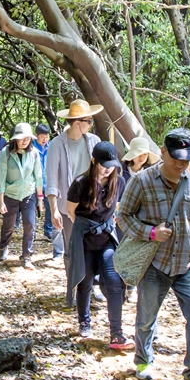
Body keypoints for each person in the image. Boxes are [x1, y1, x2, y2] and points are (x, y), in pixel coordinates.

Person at [117, 128, 190, 380]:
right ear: (162, 152)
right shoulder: (141, 181)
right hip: (155, 262)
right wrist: (151, 233)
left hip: (187, 264)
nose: (181, 164)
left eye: (186, 158)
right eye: (175, 158)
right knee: (146, 317)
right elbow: (123, 217)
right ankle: (144, 361)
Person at [65, 142, 133, 350]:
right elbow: (70, 211)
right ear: (94, 161)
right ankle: (84, 322)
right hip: (84, 238)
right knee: (84, 281)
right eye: (104, 164)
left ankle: (116, 333)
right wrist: (86, 227)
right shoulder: (81, 183)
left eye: (112, 164)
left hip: (107, 238)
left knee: (113, 281)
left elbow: (119, 207)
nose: (108, 168)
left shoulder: (119, 181)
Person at [47, 100, 101, 274]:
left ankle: (91, 286)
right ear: (78, 123)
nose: (91, 124)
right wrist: (54, 209)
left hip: (92, 203)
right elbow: (52, 179)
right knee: (72, 248)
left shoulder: (94, 142)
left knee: (93, 246)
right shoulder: (56, 144)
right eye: (89, 121)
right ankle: (73, 285)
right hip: (68, 205)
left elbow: (102, 173)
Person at [0, 123, 44, 269]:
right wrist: (1, 201)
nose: (25, 141)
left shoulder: (34, 152)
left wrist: (40, 199)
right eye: (22, 138)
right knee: (8, 225)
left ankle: (27, 256)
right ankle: (3, 249)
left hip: (29, 194)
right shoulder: (6, 152)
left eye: (28, 138)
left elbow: (39, 177)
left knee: (30, 224)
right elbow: (1, 178)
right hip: (11, 194)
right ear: (15, 139)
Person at [33, 124, 64, 263]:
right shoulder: (31, 147)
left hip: (50, 183)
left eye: (47, 136)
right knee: (32, 209)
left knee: (51, 209)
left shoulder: (53, 146)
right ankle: (31, 233)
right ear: (36, 135)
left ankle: (48, 230)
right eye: (42, 136)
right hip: (34, 184)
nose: (45, 139)